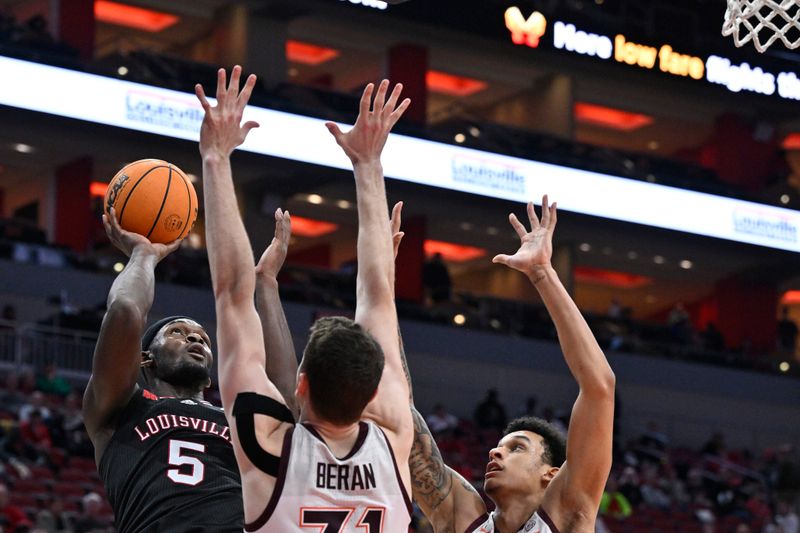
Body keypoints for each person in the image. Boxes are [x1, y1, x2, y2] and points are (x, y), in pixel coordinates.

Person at [196, 69, 413, 531]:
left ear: (300, 384)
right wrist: (369, 165)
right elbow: (378, 296)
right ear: (373, 392)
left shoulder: (268, 447)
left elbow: (234, 296)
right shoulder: (393, 440)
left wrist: (216, 156)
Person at [81, 181, 296, 532]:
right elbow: (124, 310)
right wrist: (144, 255)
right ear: (145, 359)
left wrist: (267, 282)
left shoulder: (234, 418)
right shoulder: (120, 409)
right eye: (177, 333)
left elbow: (286, 399)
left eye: (201, 336)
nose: (194, 337)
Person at [409, 196, 616, 533]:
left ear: (550, 474)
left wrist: (542, 274)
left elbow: (599, 386)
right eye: (500, 446)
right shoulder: (465, 520)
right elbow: (400, 419)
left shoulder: (567, 514)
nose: (494, 452)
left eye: (516, 447)